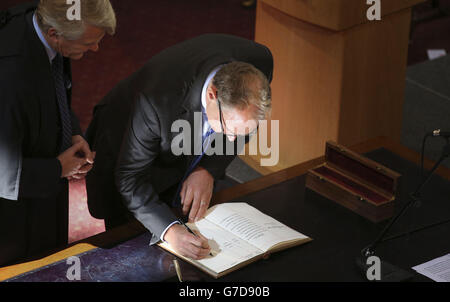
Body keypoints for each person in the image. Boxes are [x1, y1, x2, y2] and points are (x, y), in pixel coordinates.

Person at [85, 33, 273, 260]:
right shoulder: (156, 100)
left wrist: (207, 167)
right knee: (130, 247)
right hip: (124, 140)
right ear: (213, 95)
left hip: (181, 127)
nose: (230, 142)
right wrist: (170, 231)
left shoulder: (259, 64)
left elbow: (238, 126)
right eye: (228, 129)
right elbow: (130, 178)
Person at [0, 0, 116, 266]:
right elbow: (3, 174)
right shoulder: (10, 77)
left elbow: (57, 89)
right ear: (54, 34)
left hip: (44, 181)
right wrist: (57, 169)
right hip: (12, 215)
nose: (96, 49)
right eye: (89, 43)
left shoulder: (48, 26)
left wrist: (71, 131)